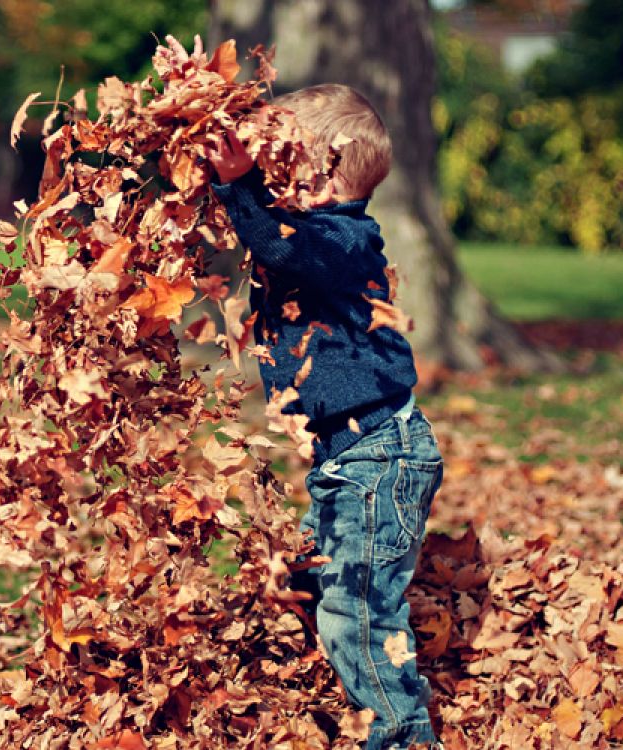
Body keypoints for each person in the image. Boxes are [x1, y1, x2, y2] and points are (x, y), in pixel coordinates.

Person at [207, 84, 445, 750]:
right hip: (349, 457)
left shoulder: (342, 239)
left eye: (282, 162)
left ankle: (403, 737)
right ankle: (341, 695)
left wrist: (239, 187)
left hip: (378, 457)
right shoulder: (315, 234)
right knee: (316, 578)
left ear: (323, 169)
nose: (270, 174)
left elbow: (280, 246)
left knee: (360, 614)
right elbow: (270, 238)